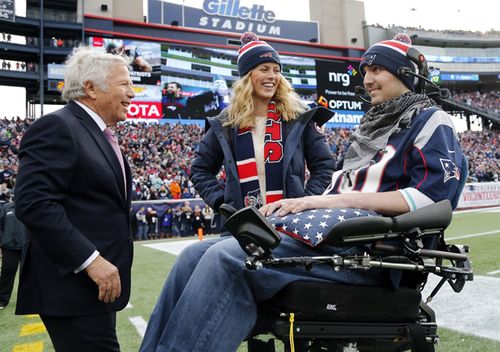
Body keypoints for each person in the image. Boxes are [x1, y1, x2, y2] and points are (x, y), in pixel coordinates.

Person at [140, 32, 335, 351]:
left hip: (289, 228)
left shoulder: (298, 119)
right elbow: (199, 170)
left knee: (215, 261)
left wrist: (304, 202)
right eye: (264, 69)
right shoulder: (225, 124)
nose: (272, 76)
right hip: (244, 228)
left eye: (276, 70)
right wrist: (223, 204)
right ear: (247, 75)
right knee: (190, 257)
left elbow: (325, 166)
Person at [14, 46, 135, 351]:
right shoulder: (58, 127)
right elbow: (34, 203)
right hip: (73, 285)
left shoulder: (96, 132)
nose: (132, 93)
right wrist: (90, 261)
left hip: (94, 289)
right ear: (91, 88)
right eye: (124, 84)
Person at [0, 200, 26, 310]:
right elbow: (0, 226)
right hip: (9, 247)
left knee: (27, 275)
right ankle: (2, 300)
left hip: (26, 247)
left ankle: (26, 301)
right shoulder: (6, 207)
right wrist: (2, 241)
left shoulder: (28, 206)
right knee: (6, 273)